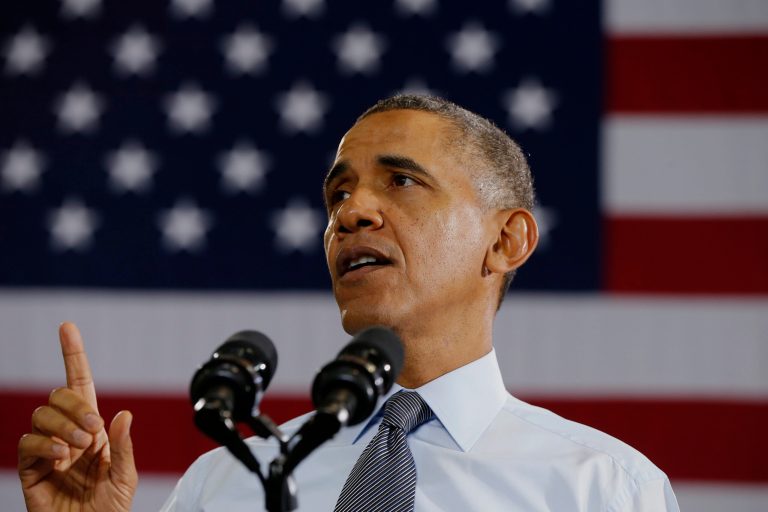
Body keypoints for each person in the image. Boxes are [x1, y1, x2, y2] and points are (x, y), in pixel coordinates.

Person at [17, 95, 680, 511]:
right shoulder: (222, 485)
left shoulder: (604, 490)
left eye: (401, 181)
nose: (352, 212)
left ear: (506, 240)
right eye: (338, 195)